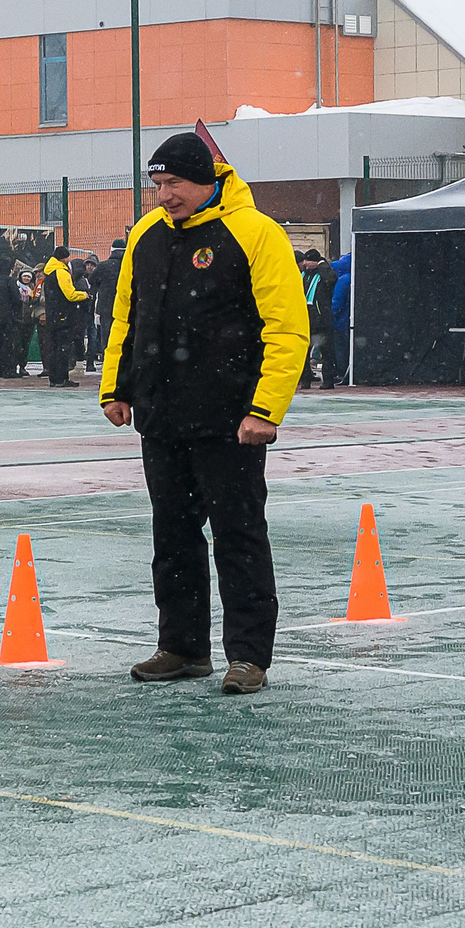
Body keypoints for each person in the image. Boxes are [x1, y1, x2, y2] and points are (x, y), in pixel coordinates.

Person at [98, 131, 307, 698]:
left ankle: (248, 657)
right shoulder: (145, 236)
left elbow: (286, 327)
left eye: (174, 184)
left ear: (207, 179)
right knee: (173, 535)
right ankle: (183, 649)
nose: (164, 195)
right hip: (162, 418)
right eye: (157, 184)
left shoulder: (255, 232)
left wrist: (265, 408)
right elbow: (126, 317)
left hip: (231, 421)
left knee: (238, 536)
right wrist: (115, 388)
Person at [41, 246, 89, 388]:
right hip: (64, 315)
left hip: (53, 315)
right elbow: (70, 294)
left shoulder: (49, 273)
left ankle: (54, 378)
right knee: (63, 348)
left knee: (54, 347)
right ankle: (62, 378)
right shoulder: (61, 272)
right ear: (64, 258)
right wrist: (84, 295)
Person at [298, 249, 331, 388]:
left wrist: (322, 264)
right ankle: (306, 380)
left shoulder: (323, 273)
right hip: (306, 316)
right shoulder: (304, 275)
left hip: (320, 317)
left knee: (326, 351)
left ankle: (328, 380)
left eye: (308, 261)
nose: (305, 264)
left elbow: (332, 279)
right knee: (304, 350)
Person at [0, 259, 26, 379]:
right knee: (8, 343)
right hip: (9, 317)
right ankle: (8, 369)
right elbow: (16, 299)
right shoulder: (10, 281)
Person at [91, 238, 124, 369]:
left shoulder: (103, 266)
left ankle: (109, 365)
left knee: (107, 335)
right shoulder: (131, 264)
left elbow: (92, 280)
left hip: (106, 306)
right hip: (126, 306)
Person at [327, 250, 352, 386]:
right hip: (349, 320)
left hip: (340, 322)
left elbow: (336, 302)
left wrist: (331, 316)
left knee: (340, 349)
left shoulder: (342, 280)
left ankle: (342, 373)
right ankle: (348, 372)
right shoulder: (353, 277)